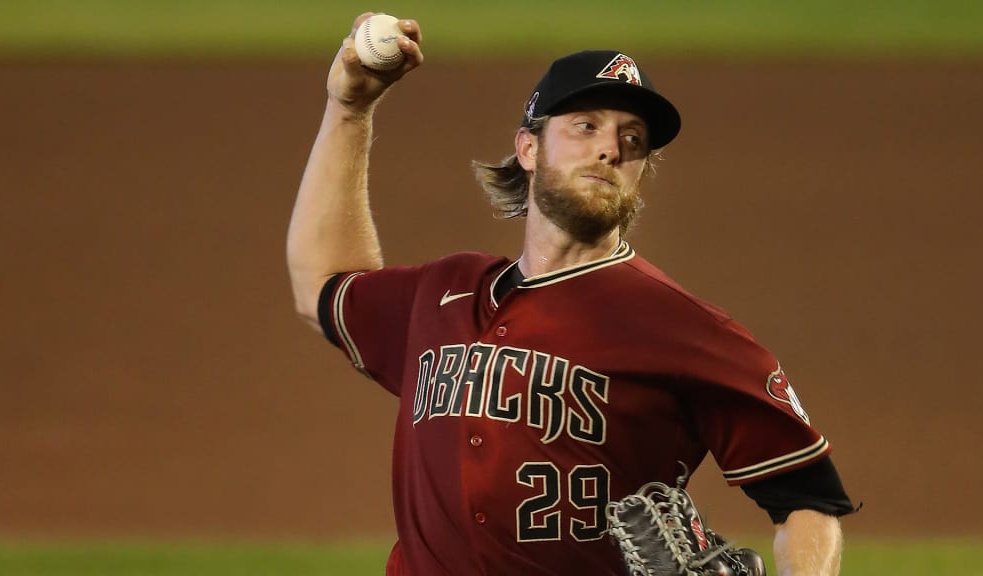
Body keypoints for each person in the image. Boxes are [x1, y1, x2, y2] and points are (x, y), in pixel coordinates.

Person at [286, 12, 856, 576]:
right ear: (529, 149)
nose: (611, 148)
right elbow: (324, 283)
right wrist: (349, 107)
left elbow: (811, 501)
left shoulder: (685, 330)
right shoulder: (445, 291)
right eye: (586, 126)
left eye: (632, 139)